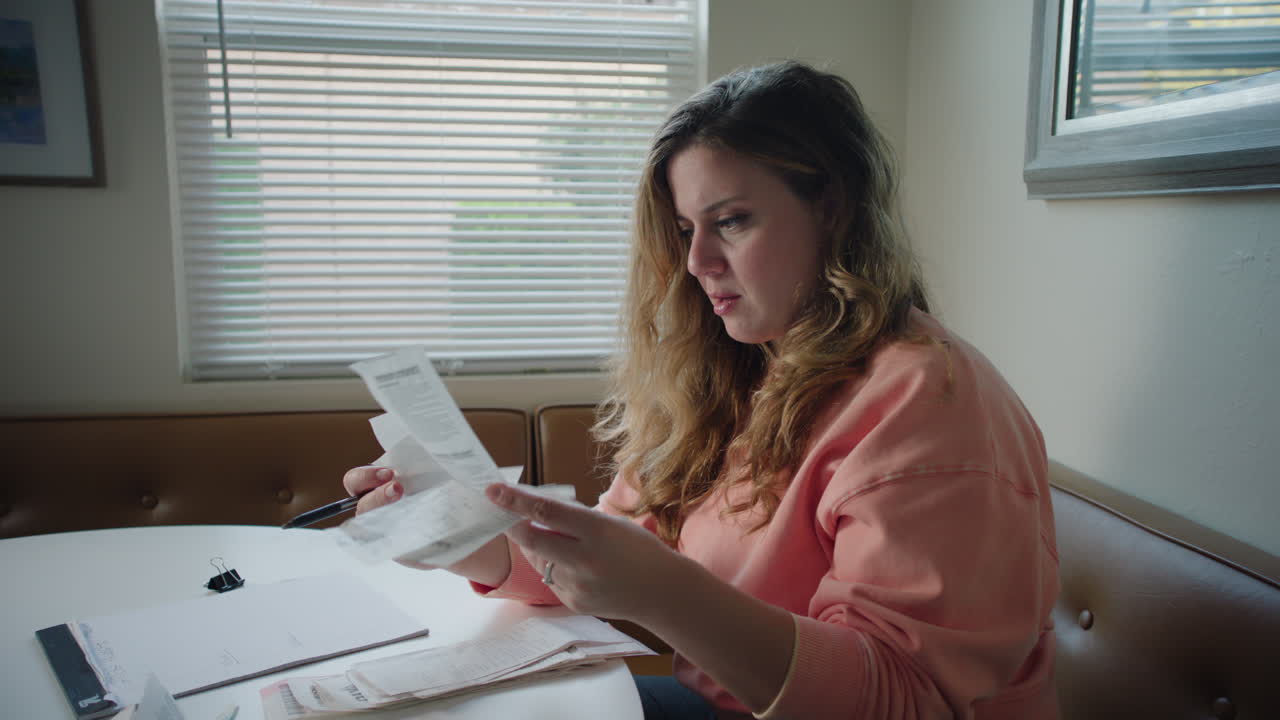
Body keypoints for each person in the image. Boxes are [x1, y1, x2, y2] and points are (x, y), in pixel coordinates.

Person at [344, 61, 1059, 720]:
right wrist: (455, 536)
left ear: (833, 208)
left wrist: (664, 590)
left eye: (732, 221)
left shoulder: (926, 403)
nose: (696, 262)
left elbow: (905, 698)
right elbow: (609, 556)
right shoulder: (744, 372)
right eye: (686, 229)